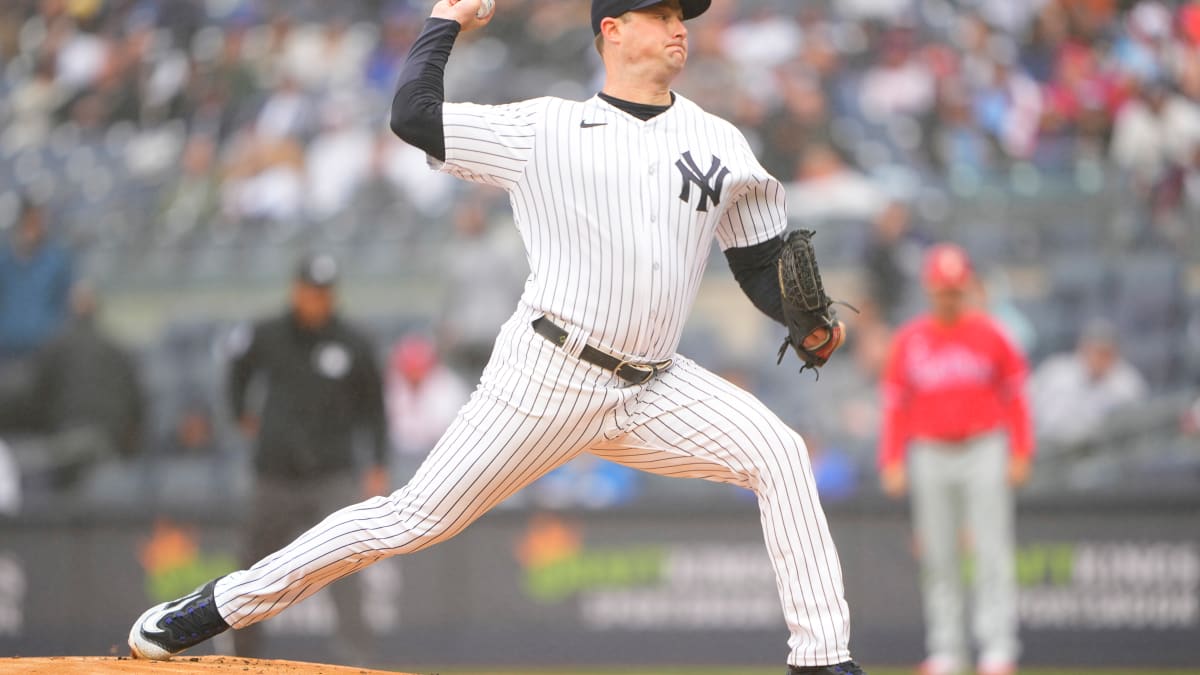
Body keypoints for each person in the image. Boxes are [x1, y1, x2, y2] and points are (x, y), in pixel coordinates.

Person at [129, 2, 866, 673]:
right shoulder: (543, 128)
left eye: (683, 14)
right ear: (612, 29)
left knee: (779, 451)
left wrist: (807, 321)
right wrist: (443, 22)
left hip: (655, 384)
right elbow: (414, 117)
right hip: (548, 373)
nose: (680, 26)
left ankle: (822, 659)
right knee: (411, 518)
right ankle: (215, 606)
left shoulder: (718, 139)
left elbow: (762, 259)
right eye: (660, 12)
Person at [222, 253, 389, 662]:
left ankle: (357, 662)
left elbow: (376, 409)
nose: (318, 299)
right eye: (312, 291)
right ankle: (241, 660)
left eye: (325, 292)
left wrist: (378, 463)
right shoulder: (268, 334)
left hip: (332, 473)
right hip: (276, 474)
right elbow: (237, 370)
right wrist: (239, 411)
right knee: (253, 570)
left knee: (346, 567)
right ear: (297, 290)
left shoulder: (354, 341)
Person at [877, 244, 1033, 675]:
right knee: (939, 553)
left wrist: (1021, 449)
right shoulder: (910, 339)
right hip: (928, 449)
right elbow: (894, 405)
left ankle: (997, 649)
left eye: (954, 289)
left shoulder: (992, 333)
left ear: (966, 288)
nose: (947, 296)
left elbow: (1017, 397)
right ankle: (946, 649)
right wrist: (891, 457)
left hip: (984, 446)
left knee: (991, 549)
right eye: (941, 289)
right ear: (930, 289)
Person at [0, 283, 143, 493]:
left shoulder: (56, 347)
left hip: (74, 445)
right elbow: (138, 409)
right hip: (106, 445)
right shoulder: (116, 349)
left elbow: (30, 399)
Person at [1030, 318, 1147, 450]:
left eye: (1106, 353)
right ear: (1083, 348)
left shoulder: (1127, 383)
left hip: (1098, 453)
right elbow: (1026, 405)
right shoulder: (1056, 371)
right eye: (1096, 351)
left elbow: (1133, 430)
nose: (1100, 359)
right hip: (1047, 447)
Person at [0, 196, 73, 362]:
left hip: (45, 349)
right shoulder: (3, 261)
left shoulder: (57, 262)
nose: (34, 228)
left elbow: (64, 303)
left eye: (38, 222)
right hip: (6, 349)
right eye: (30, 222)